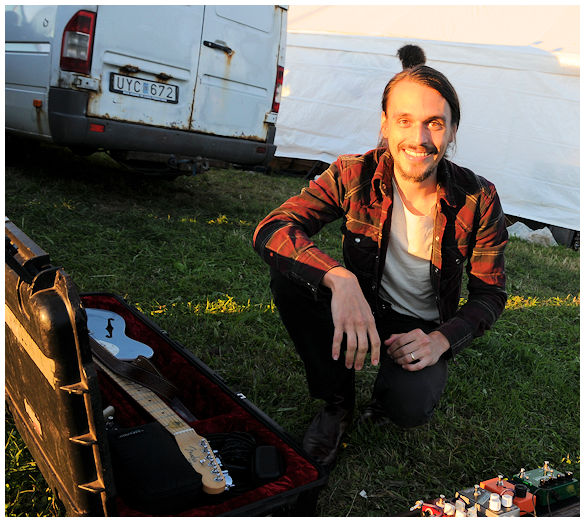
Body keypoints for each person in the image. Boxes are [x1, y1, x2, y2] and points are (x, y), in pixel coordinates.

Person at [252, 45, 508, 470]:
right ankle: (337, 403)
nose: (419, 138)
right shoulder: (353, 173)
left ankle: (386, 396)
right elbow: (273, 228)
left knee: (410, 408)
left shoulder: (478, 197)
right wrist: (340, 279)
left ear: (453, 131)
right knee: (292, 278)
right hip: (361, 302)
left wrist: (440, 340)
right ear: (385, 124)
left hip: (419, 326)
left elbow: (490, 294)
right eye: (405, 120)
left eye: (434, 123)